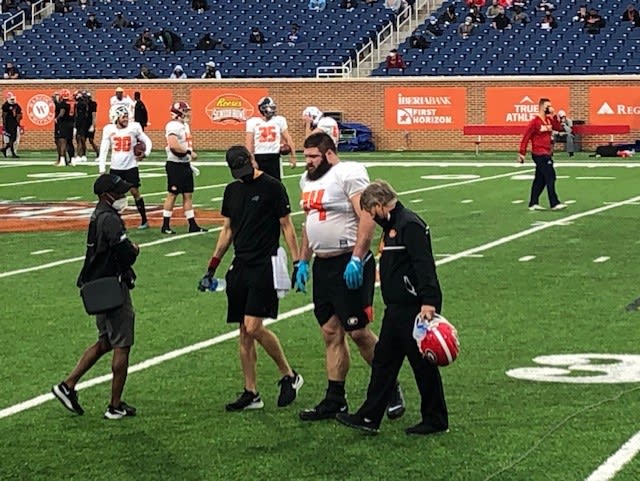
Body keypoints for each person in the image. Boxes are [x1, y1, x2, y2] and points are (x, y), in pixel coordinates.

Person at [295, 132, 406, 422]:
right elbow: (310, 222)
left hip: (348, 260)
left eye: (312, 157)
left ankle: (390, 386)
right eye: (305, 156)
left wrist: (358, 257)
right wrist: (303, 261)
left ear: (329, 154)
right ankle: (335, 398)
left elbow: (367, 215)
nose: (307, 162)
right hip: (323, 264)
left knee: (357, 331)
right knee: (330, 331)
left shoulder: (348, 173)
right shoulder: (307, 181)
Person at [336, 180, 448, 435]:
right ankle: (369, 417)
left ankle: (436, 418)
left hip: (413, 309)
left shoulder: (409, 225)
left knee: (422, 365)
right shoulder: (394, 226)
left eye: (371, 212)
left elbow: (424, 265)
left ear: (378, 205)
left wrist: (429, 302)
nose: (372, 218)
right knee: (384, 363)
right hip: (395, 309)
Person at [199, 145, 304, 411]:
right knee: (243, 332)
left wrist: (296, 260)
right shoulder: (232, 190)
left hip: (265, 263)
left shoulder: (272, 187)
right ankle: (251, 392)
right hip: (240, 264)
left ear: (252, 160)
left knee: (254, 326)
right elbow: (227, 230)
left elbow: (287, 226)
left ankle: (289, 375)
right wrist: (213, 265)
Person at [52, 173, 140, 420]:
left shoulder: (98, 216)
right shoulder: (110, 219)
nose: (123, 197)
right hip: (112, 286)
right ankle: (115, 405)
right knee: (122, 345)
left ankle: (67, 385)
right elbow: (124, 252)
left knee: (105, 341)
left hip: (98, 286)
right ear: (106, 196)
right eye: (119, 193)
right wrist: (134, 251)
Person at [98, 105, 152, 229]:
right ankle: (116, 223)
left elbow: (147, 140)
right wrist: (101, 169)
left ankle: (144, 220)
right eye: (123, 117)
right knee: (114, 196)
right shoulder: (109, 129)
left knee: (135, 192)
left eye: (127, 116)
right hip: (116, 167)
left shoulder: (134, 127)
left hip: (131, 166)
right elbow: (104, 150)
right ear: (116, 118)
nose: (126, 119)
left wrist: (146, 153)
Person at [161, 101, 206, 234]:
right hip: (175, 164)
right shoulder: (173, 125)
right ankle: (165, 225)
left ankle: (192, 225)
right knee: (172, 194)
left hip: (184, 164)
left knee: (188, 195)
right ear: (178, 113)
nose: (187, 113)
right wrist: (188, 152)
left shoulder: (184, 125)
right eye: (184, 111)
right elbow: (173, 145)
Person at [518, 97, 566, 211]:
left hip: (547, 152)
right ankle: (554, 202)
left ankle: (533, 202)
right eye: (548, 106)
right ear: (542, 107)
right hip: (539, 153)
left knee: (540, 179)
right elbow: (526, 137)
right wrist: (522, 153)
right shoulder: (535, 121)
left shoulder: (548, 120)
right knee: (550, 176)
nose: (550, 107)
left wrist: (554, 116)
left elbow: (558, 128)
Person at [245, 96, 296, 181]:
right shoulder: (252, 122)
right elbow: (249, 143)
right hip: (259, 156)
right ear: (262, 109)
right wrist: (252, 160)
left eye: (273, 107)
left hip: (274, 156)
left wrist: (293, 156)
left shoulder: (279, 120)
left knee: (276, 183)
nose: (271, 110)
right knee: (259, 183)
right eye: (269, 107)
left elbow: (288, 138)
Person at [1, 92, 22, 158]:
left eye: (13, 99)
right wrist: (4, 125)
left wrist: (18, 121)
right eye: (11, 99)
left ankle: (5, 149)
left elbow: (19, 113)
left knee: (14, 138)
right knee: (11, 138)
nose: (12, 100)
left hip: (14, 124)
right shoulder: (6, 105)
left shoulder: (16, 105)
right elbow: (4, 116)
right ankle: (12, 153)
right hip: (8, 124)